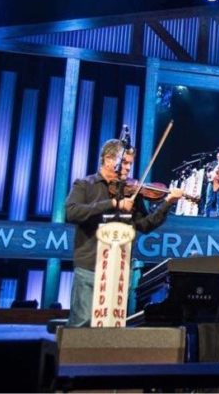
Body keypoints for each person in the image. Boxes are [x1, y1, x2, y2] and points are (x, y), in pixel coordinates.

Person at [64, 139, 182, 327]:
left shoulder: (129, 192)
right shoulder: (85, 185)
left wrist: (167, 203)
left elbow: (145, 225)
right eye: (125, 162)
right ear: (109, 159)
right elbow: (71, 213)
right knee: (82, 324)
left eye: (130, 164)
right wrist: (113, 204)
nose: (128, 169)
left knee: (114, 325)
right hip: (89, 264)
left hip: (119, 266)